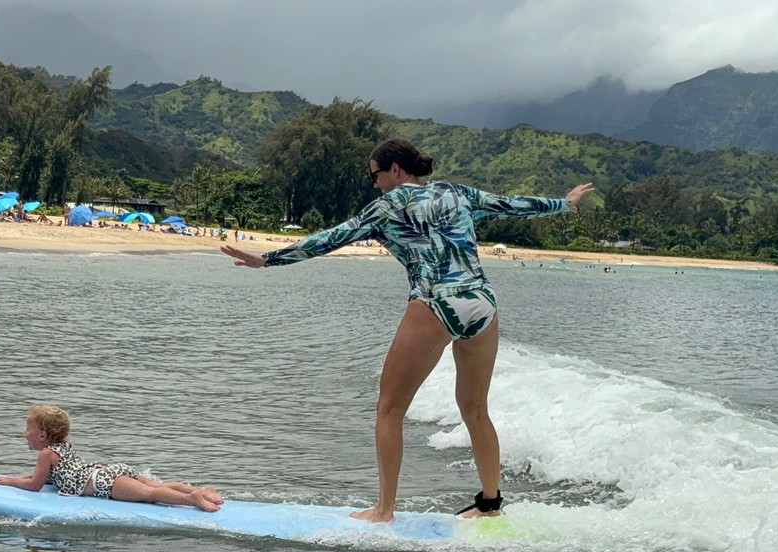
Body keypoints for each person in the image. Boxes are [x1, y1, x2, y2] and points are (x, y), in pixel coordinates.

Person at [222, 138, 595, 523]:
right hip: (482, 303)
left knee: (389, 409)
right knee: (476, 409)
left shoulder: (386, 207)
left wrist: (267, 259)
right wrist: (564, 204)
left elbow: (331, 239)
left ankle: (384, 510)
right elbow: (513, 205)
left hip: (435, 301)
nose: (374, 183)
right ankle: (490, 504)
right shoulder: (456, 192)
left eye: (375, 175)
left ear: (396, 170)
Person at [0, 405, 223, 511]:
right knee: (156, 485)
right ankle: (201, 491)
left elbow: (35, 484)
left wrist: (10, 481)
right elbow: (44, 478)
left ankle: (192, 499)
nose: (25, 434)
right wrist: (20, 477)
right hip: (109, 472)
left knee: (150, 495)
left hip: (104, 482)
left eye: (27, 429)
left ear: (42, 435)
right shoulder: (62, 447)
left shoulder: (46, 453)